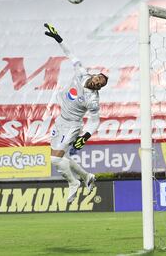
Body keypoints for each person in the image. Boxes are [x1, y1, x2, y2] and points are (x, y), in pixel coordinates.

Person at [44, 23, 108, 203]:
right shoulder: (81, 73)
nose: (97, 83)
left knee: (55, 160)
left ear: (100, 88)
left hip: (72, 125)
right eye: (97, 79)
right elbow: (71, 55)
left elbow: (95, 121)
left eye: (100, 84)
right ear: (94, 75)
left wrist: (85, 136)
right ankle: (87, 177)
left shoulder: (92, 100)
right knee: (59, 157)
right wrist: (59, 39)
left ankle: (73, 183)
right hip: (61, 120)